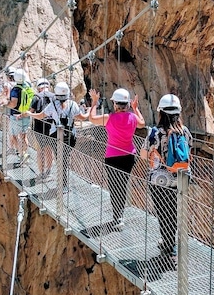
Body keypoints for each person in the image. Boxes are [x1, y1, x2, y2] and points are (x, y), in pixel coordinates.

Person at [88, 88, 145, 230]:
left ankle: (117, 216)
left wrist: (94, 102)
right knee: (123, 184)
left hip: (112, 156)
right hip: (130, 156)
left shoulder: (109, 118)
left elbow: (91, 119)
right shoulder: (133, 117)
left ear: (115, 104)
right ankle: (120, 214)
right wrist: (136, 108)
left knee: (114, 186)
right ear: (127, 104)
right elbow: (142, 123)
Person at [144, 93, 192, 257]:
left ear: (161, 112)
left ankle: (167, 244)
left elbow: (144, 155)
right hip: (180, 178)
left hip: (159, 180)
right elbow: (189, 150)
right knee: (173, 211)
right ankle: (172, 244)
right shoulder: (184, 131)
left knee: (162, 211)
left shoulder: (154, 132)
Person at [23, 82, 88, 190]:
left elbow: (40, 116)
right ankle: (63, 183)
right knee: (64, 158)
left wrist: (30, 114)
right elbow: (83, 117)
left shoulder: (52, 105)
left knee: (60, 159)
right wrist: (91, 107)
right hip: (70, 136)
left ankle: (62, 184)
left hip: (56, 136)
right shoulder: (73, 104)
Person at [29, 78, 55, 179]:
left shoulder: (36, 97)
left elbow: (31, 111)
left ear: (39, 88)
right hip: (51, 127)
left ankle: (41, 173)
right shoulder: (54, 97)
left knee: (40, 151)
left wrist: (25, 113)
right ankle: (49, 171)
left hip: (39, 128)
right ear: (48, 86)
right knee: (49, 150)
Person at [7, 68, 32, 168]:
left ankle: (21, 154)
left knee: (13, 136)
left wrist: (5, 104)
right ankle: (25, 154)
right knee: (24, 136)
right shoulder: (28, 86)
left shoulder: (15, 89)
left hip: (16, 116)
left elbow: (13, 104)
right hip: (26, 115)